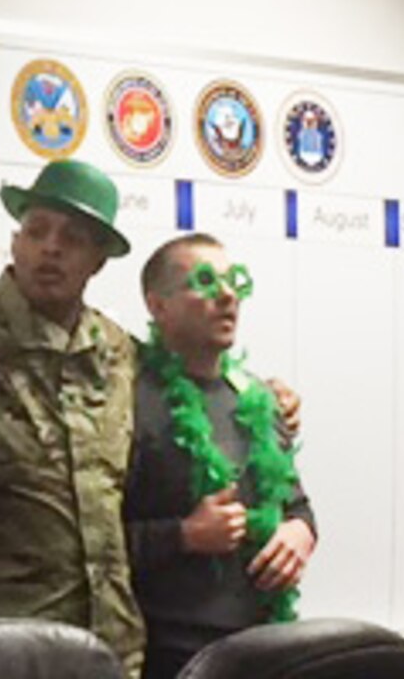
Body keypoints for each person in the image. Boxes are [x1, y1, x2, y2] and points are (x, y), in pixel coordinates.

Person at [0, 159, 146, 676]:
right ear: (16, 240)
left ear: (98, 261)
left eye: (73, 238)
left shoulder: (117, 350)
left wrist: (267, 396)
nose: (51, 248)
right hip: (5, 647)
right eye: (36, 230)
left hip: (112, 647)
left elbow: (190, 385)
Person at [124, 233, 317, 679]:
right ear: (158, 306)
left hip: (266, 647)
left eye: (234, 283)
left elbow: (297, 505)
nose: (227, 295)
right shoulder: (128, 400)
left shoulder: (258, 399)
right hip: (169, 655)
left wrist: (300, 530)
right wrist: (185, 535)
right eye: (205, 281)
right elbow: (97, 545)